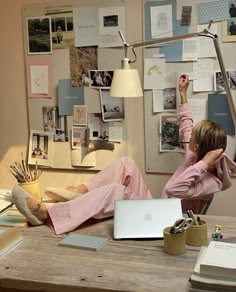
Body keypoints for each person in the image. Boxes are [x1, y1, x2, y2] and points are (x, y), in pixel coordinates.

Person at [12, 74, 236, 235]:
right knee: (127, 163)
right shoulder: (195, 153)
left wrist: (201, 166)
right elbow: (186, 126)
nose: (189, 137)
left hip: (167, 224)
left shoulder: (211, 182)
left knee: (116, 191)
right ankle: (78, 192)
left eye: (193, 139)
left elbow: (172, 189)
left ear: (198, 148)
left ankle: (47, 214)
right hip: (156, 207)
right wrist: (183, 94)